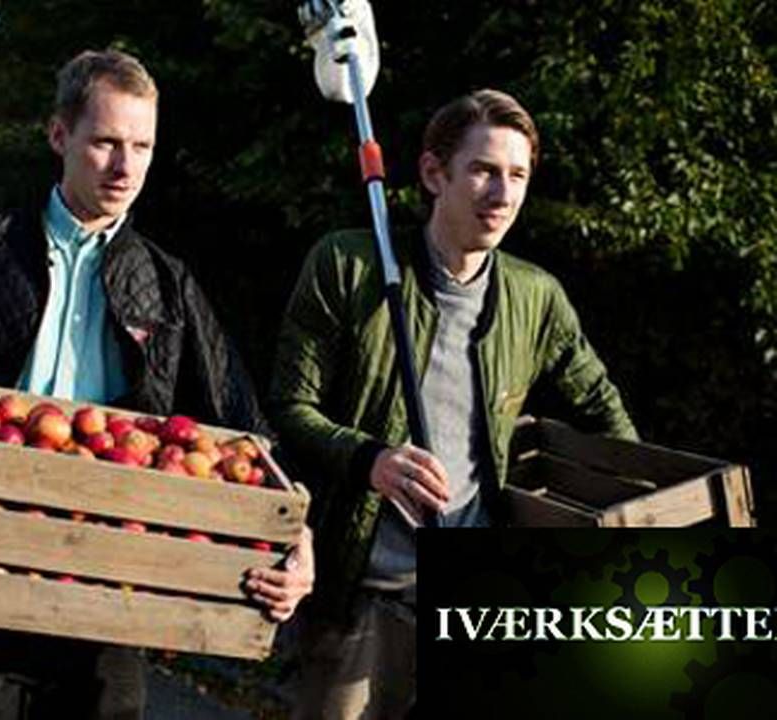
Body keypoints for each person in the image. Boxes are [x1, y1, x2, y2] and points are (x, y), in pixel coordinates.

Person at [0, 49, 313, 719]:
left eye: (141, 146)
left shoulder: (168, 286)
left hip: (107, 592)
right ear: (60, 136)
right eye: (105, 141)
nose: (124, 165)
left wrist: (294, 536)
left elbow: (248, 427)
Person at [267, 89, 636, 718]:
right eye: (484, 170)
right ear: (435, 173)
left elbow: (602, 408)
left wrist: (642, 508)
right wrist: (371, 459)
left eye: (517, 175)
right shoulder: (349, 266)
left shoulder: (535, 297)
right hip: (357, 588)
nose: (503, 193)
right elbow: (289, 407)